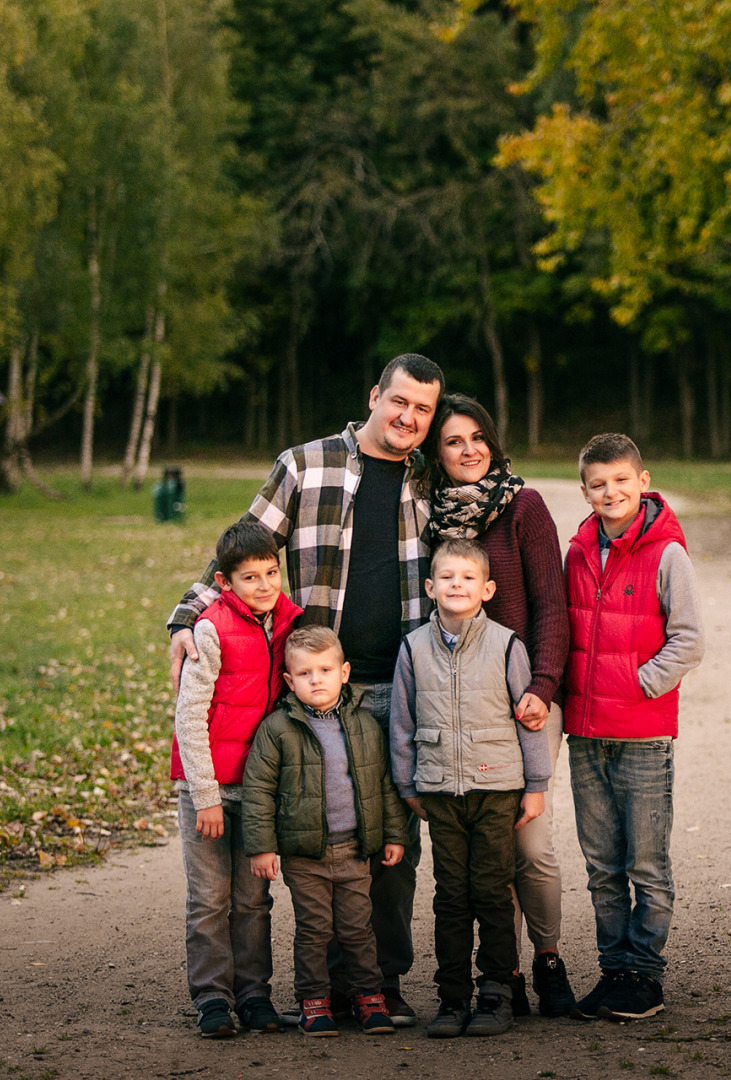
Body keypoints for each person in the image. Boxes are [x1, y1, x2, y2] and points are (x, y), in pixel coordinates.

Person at [167, 352, 443, 1026]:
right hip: (322, 692)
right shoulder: (306, 464)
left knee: (389, 852)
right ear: (375, 395)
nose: (408, 418)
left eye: (423, 410)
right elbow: (243, 551)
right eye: (399, 401)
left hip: (396, 687)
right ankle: (301, 985)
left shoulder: (430, 483)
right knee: (316, 846)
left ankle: (378, 984)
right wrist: (185, 615)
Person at [423, 394, 575, 1017]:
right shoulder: (427, 518)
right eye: (454, 440)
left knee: (527, 843)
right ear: (437, 452)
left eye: (477, 436)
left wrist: (541, 688)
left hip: (526, 703)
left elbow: (552, 608)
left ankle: (547, 957)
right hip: (459, 712)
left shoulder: (524, 507)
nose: (469, 450)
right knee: (483, 852)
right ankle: (500, 973)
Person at [563, 433, 704, 1022]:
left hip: (643, 735)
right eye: (598, 484)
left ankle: (645, 974)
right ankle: (614, 970)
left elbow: (689, 640)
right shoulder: (577, 553)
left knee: (646, 862)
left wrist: (639, 683)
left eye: (621, 480)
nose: (610, 492)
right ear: (585, 491)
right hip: (586, 735)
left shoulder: (667, 555)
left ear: (643, 482)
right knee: (601, 865)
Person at [388, 540, 552, 1038]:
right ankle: (453, 997)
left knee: (492, 892)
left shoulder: (506, 644)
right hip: (439, 791)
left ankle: (497, 993)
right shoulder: (413, 647)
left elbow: (531, 720)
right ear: (430, 587)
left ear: (487, 589)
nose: (457, 586)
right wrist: (407, 781)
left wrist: (536, 784)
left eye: (467, 578)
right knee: (450, 896)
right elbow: (401, 720)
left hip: (496, 788)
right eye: (447, 577)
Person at [169, 522, 304, 1038]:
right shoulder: (211, 628)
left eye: (272, 573)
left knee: (253, 899)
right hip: (207, 790)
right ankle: (212, 999)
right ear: (226, 583)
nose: (265, 585)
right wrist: (204, 795)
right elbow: (190, 716)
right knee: (209, 898)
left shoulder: (290, 624)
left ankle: (254, 995)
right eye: (251, 577)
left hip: (258, 792)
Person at [241, 626, 409, 1037]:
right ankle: (314, 1001)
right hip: (306, 854)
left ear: (344, 672)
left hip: (355, 850)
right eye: (305, 673)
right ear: (288, 681)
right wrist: (262, 847)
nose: (316, 680)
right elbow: (258, 791)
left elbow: (383, 785)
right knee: (314, 929)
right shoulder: (278, 730)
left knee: (357, 928)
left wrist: (394, 834)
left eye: (325, 670)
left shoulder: (365, 725)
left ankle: (368, 996)